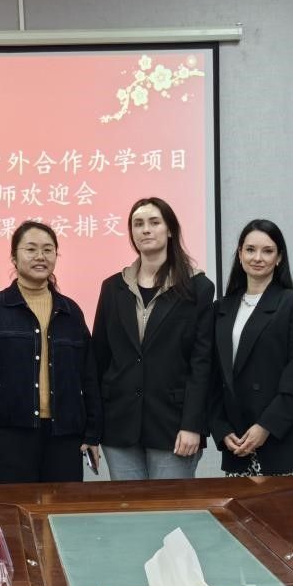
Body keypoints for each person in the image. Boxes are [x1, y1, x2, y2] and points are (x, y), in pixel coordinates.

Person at [0, 220, 101, 483]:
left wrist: (93, 433)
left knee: (62, 506)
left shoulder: (71, 312)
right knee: (9, 507)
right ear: (14, 257)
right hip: (8, 434)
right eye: (31, 249)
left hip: (64, 436)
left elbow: (88, 376)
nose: (40, 256)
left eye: (48, 250)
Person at [92, 197, 214, 480]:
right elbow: (99, 359)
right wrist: (93, 428)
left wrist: (193, 424)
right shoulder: (113, 287)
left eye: (154, 222)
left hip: (174, 426)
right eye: (138, 224)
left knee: (170, 508)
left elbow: (202, 362)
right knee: (129, 508)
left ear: (170, 230)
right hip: (119, 425)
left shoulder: (197, 287)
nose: (145, 229)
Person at [208, 219, 293, 477]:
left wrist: (266, 426)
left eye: (267, 251)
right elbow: (213, 377)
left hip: (283, 440)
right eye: (250, 250)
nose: (258, 258)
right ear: (239, 254)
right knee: (238, 507)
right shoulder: (220, 308)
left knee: (287, 506)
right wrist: (221, 429)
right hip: (237, 443)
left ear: (279, 258)